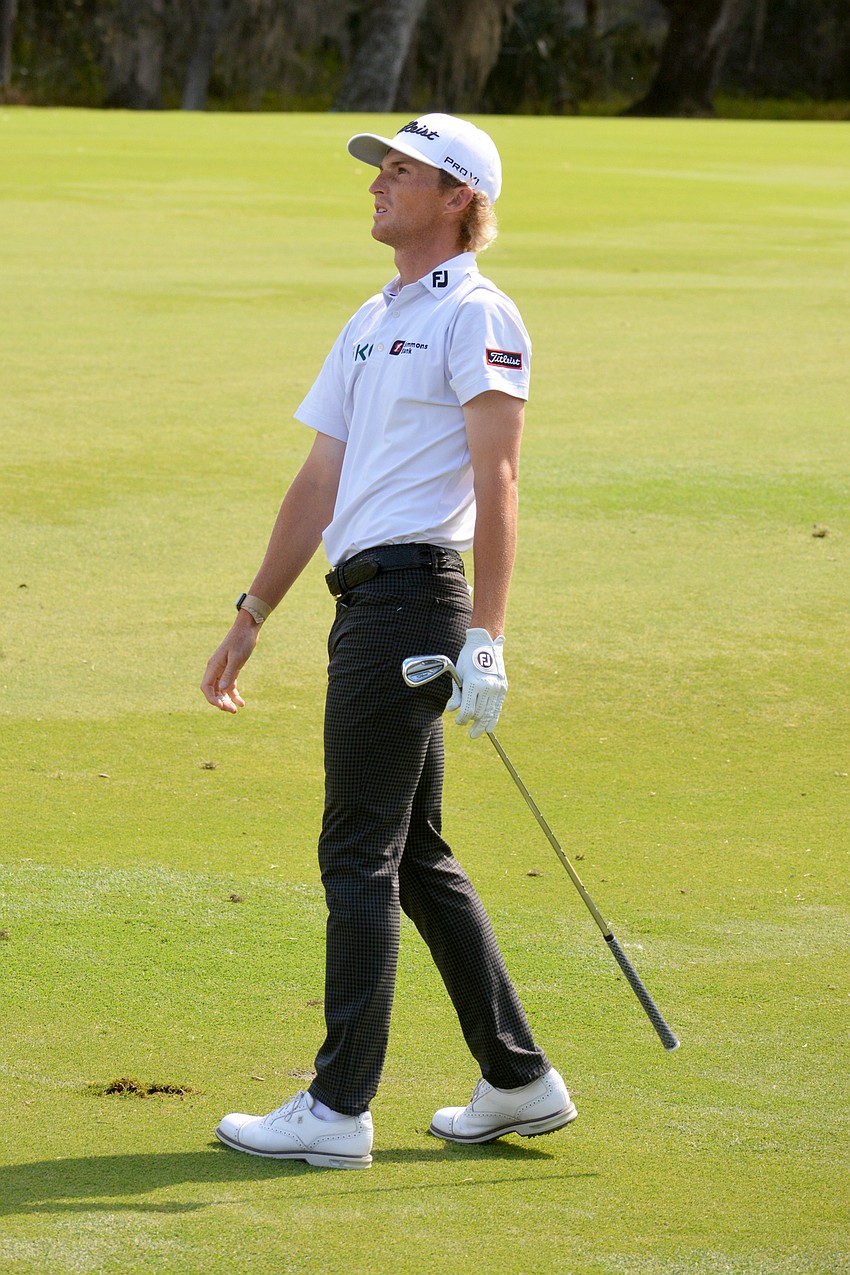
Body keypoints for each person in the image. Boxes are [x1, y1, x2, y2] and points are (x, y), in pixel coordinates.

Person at [201, 113, 575, 1170]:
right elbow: (320, 479)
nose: (378, 184)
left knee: (356, 852)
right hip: (362, 602)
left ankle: (337, 1109)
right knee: (413, 855)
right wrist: (251, 613)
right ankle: (517, 1079)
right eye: (382, 168)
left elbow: (498, 477)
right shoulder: (372, 316)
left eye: (402, 171)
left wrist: (488, 634)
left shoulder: (480, 314)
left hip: (414, 601)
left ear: (459, 197)